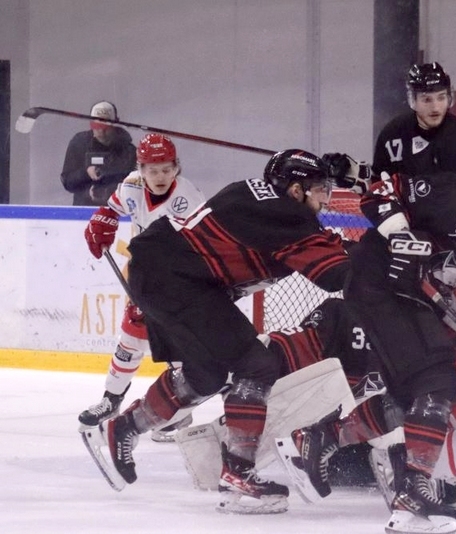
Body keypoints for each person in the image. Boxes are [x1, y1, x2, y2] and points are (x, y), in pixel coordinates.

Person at [83, 149, 355, 514]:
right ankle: (238, 474)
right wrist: (386, 256)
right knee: (255, 364)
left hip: (163, 271)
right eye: (320, 189)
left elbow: (320, 250)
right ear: (294, 190)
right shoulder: (288, 217)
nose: (326, 198)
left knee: (206, 374)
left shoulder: (256, 194)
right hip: (175, 282)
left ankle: (124, 428)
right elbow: (334, 275)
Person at [288, 149, 456, 534]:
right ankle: (413, 490)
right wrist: (398, 234)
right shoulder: (454, 194)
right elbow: (382, 189)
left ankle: (321, 437)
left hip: (414, 300)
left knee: (412, 396)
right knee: (438, 379)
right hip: (376, 284)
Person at [79, 133, 206, 442]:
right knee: (131, 340)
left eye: (166, 169)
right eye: (152, 169)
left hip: (181, 281)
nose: (160, 176)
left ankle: (179, 411)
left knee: (180, 349)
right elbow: (111, 208)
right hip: (145, 278)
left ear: (177, 168)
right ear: (141, 169)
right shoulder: (132, 185)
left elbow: (198, 249)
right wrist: (102, 221)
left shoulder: (188, 199)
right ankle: (111, 400)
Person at [373, 62, 456, 182]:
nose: (435, 108)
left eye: (441, 97)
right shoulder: (392, 134)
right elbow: (378, 186)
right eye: (427, 100)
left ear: (449, 98)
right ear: (413, 100)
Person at [60, 101, 137, 206]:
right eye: (96, 125)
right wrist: (85, 173)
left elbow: (136, 185)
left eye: (106, 126)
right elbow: (67, 182)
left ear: (115, 124)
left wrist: (110, 191)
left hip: (117, 209)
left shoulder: (128, 150)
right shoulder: (79, 144)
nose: (101, 130)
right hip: (84, 210)